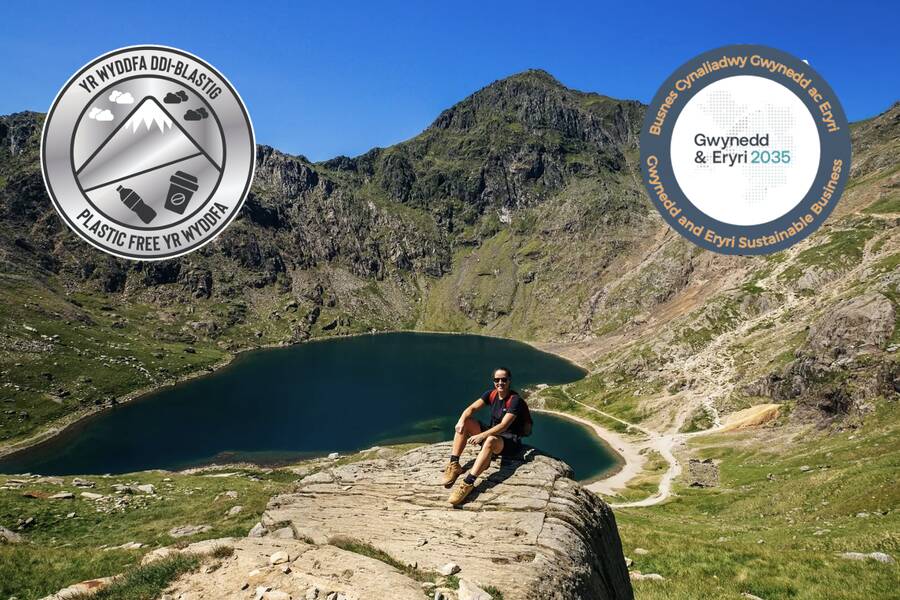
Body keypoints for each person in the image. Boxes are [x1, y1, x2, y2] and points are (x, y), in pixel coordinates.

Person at [443, 367, 529, 505]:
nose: (500, 382)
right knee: (466, 422)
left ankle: (468, 483)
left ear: (509, 381)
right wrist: (461, 420)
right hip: (493, 434)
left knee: (490, 440)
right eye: (497, 380)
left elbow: (503, 426)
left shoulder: (515, 400)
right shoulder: (492, 394)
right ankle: (454, 464)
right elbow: (471, 409)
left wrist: (481, 436)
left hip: (509, 442)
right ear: (493, 381)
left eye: (504, 379)